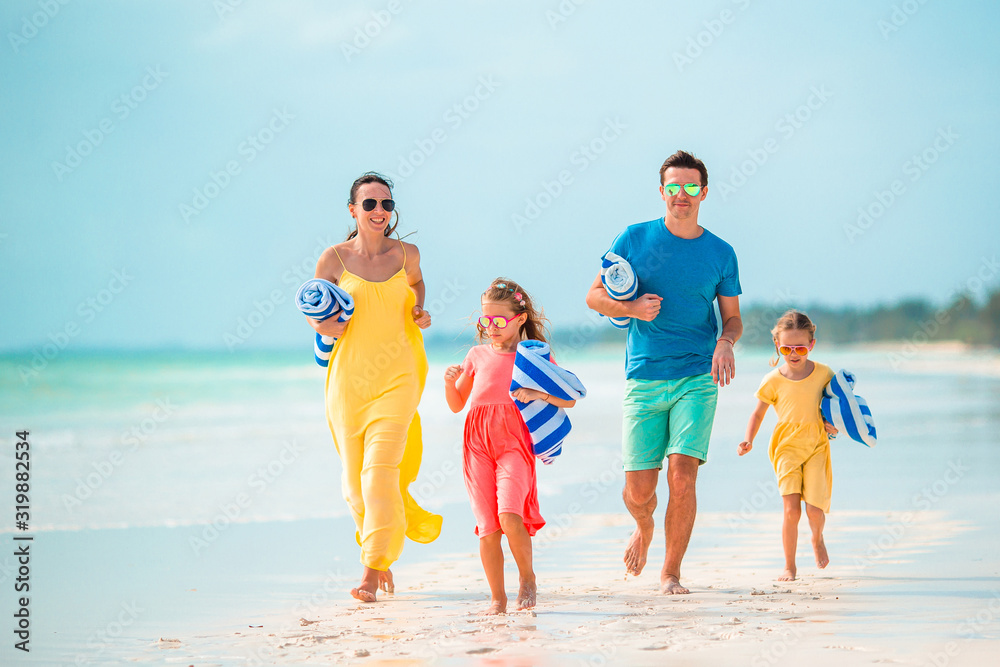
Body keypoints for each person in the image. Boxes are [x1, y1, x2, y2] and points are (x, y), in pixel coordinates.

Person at [584, 150, 742, 595]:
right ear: (662, 192)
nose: (681, 195)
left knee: (682, 475)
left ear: (704, 192)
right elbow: (594, 297)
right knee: (638, 491)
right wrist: (631, 308)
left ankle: (671, 573)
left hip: (697, 374)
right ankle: (643, 526)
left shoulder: (721, 253)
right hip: (645, 375)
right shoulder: (634, 238)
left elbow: (733, 318)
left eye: (691, 187)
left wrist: (725, 342)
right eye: (673, 187)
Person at [306, 172, 442, 603]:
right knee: (354, 486)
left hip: (399, 375)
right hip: (349, 382)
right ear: (353, 210)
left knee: (379, 472)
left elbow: (416, 286)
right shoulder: (332, 259)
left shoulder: (408, 255)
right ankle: (379, 548)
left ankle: (371, 568)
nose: (379, 212)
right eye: (369, 205)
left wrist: (419, 308)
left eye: (386, 204)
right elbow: (316, 312)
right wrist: (323, 324)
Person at [443, 278, 576, 615]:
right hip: (477, 444)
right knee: (488, 527)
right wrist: (448, 384)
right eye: (485, 321)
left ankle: (527, 579)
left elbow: (569, 398)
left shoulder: (533, 355)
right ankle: (497, 599)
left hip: (514, 443)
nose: (491, 328)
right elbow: (457, 403)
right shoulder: (476, 355)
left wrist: (538, 394)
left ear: (519, 319)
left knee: (510, 515)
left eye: (498, 321)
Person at [737, 310, 838, 581]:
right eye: (786, 348)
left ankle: (817, 539)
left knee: (814, 511)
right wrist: (749, 439)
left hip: (816, 444)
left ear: (811, 345)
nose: (794, 354)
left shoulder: (824, 374)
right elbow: (757, 413)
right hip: (785, 448)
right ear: (777, 346)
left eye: (801, 347)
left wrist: (834, 425)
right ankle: (789, 566)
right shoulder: (773, 380)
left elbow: (837, 407)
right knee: (791, 510)